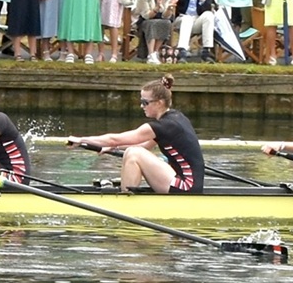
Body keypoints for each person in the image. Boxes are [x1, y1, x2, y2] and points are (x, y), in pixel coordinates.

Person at [59, 74, 205, 194]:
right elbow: (144, 146)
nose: (141, 106)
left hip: (186, 186)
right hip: (189, 183)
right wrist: (115, 148)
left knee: (133, 153)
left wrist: (81, 139)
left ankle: (126, 198)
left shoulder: (163, 126)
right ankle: (129, 191)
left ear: (159, 103)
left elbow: (114, 139)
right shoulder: (176, 118)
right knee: (134, 150)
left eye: (145, 102)